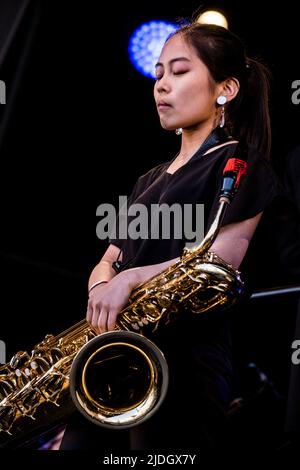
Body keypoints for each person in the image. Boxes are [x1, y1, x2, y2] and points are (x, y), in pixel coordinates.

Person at [60, 22, 278, 450]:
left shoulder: (240, 163)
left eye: (179, 72)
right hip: (112, 362)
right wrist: (105, 285)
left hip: (184, 367)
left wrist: (131, 279)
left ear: (226, 89)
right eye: (158, 74)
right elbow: (108, 259)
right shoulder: (148, 179)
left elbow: (219, 263)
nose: (161, 86)